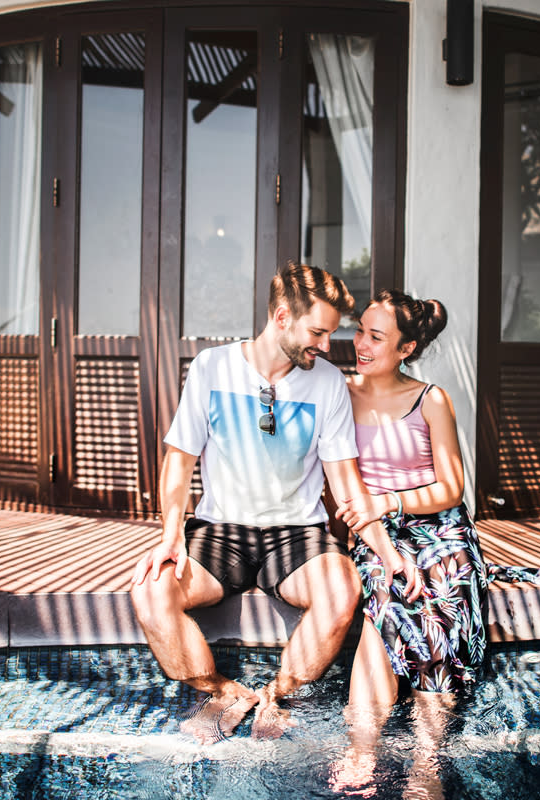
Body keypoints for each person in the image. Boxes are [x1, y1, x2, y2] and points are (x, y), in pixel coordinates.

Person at [130, 264, 421, 745]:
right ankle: (222, 691)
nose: (327, 346)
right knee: (150, 591)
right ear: (282, 316)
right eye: (318, 332)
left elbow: (345, 482)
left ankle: (275, 693)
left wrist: (388, 554)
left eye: (330, 334)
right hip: (221, 529)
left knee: (342, 590)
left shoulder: (326, 383)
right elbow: (178, 464)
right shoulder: (212, 368)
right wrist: (169, 538)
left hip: (296, 534)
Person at [332, 289, 540, 797]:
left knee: (444, 598)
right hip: (377, 529)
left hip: (437, 525)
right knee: (388, 600)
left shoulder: (430, 398)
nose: (360, 343)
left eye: (377, 336)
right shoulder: (338, 393)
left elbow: (450, 488)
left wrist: (387, 501)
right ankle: (362, 749)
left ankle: (425, 759)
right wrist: (375, 520)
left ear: (406, 349)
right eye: (360, 331)